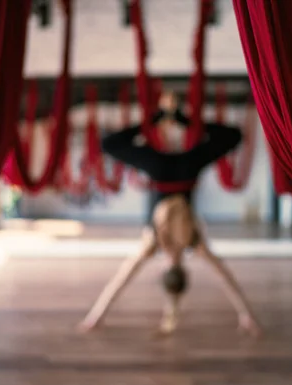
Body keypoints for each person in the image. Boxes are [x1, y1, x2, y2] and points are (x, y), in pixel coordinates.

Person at [77, 92, 262, 336]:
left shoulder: (193, 244)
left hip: (187, 168)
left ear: (185, 270)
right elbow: (121, 280)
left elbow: (225, 277)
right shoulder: (152, 243)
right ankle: (162, 117)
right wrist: (96, 315)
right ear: (163, 270)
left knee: (232, 137)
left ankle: (170, 117)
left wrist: (246, 312)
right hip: (160, 169)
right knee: (109, 144)